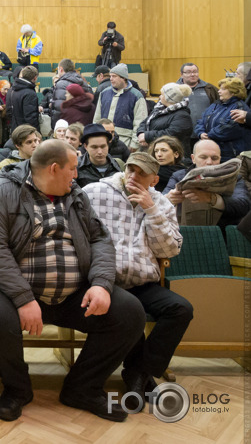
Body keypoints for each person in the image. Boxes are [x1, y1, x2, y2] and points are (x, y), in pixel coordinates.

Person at [0, 139, 146, 423]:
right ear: (54, 168)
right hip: (13, 289)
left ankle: (83, 387)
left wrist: (101, 283)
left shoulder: (76, 195)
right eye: (73, 168)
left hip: (73, 292)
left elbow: (100, 238)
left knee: (129, 313)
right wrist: (23, 297)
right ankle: (17, 388)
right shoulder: (0, 192)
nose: (77, 175)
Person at [83, 152, 190, 411]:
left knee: (181, 309)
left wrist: (151, 210)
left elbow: (170, 249)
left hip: (143, 281)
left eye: (142, 173)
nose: (133, 175)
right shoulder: (94, 192)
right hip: (107, 281)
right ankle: (139, 376)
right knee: (132, 311)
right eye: (131, 169)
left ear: (154, 179)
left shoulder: (160, 203)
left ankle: (140, 371)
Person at [164, 139, 250, 227]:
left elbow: (244, 205)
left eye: (214, 158)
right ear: (193, 158)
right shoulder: (179, 176)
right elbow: (160, 201)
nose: (209, 162)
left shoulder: (235, 177)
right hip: (187, 231)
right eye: (203, 157)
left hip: (222, 230)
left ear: (220, 159)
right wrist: (169, 198)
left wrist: (212, 198)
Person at [193, 77, 250, 162]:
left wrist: (209, 135)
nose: (219, 91)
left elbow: (231, 127)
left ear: (233, 92)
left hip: (230, 154)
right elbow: (201, 120)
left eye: (223, 89)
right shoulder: (215, 105)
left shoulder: (239, 107)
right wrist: (201, 133)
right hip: (213, 150)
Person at [93, 63, 147, 151]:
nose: (111, 79)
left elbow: (140, 122)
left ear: (123, 78)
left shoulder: (136, 96)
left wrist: (134, 144)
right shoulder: (104, 93)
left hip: (125, 142)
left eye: (114, 76)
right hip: (103, 141)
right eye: (110, 76)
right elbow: (97, 118)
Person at [137, 83, 193, 157]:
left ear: (169, 98)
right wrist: (141, 135)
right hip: (154, 152)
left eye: (162, 94)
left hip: (174, 158)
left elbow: (171, 134)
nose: (160, 96)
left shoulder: (182, 116)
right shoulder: (158, 109)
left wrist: (147, 137)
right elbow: (145, 122)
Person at [76, 123, 123, 188]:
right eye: (94, 147)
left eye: (103, 146)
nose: (100, 152)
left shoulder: (119, 165)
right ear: (85, 146)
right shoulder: (75, 166)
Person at [50, 59, 93, 125]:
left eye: (58, 69)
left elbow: (59, 109)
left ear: (61, 69)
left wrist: (56, 126)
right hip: (83, 124)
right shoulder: (84, 82)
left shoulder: (61, 84)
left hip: (66, 124)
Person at [176, 63, 219, 127]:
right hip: (181, 131)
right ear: (181, 75)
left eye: (195, 72)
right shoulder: (174, 89)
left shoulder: (210, 88)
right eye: (188, 72)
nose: (192, 74)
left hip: (206, 132)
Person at [7, 66, 40, 133]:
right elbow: (31, 117)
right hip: (26, 132)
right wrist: (36, 133)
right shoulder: (29, 93)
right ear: (35, 78)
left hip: (15, 129)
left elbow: (9, 112)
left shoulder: (11, 90)